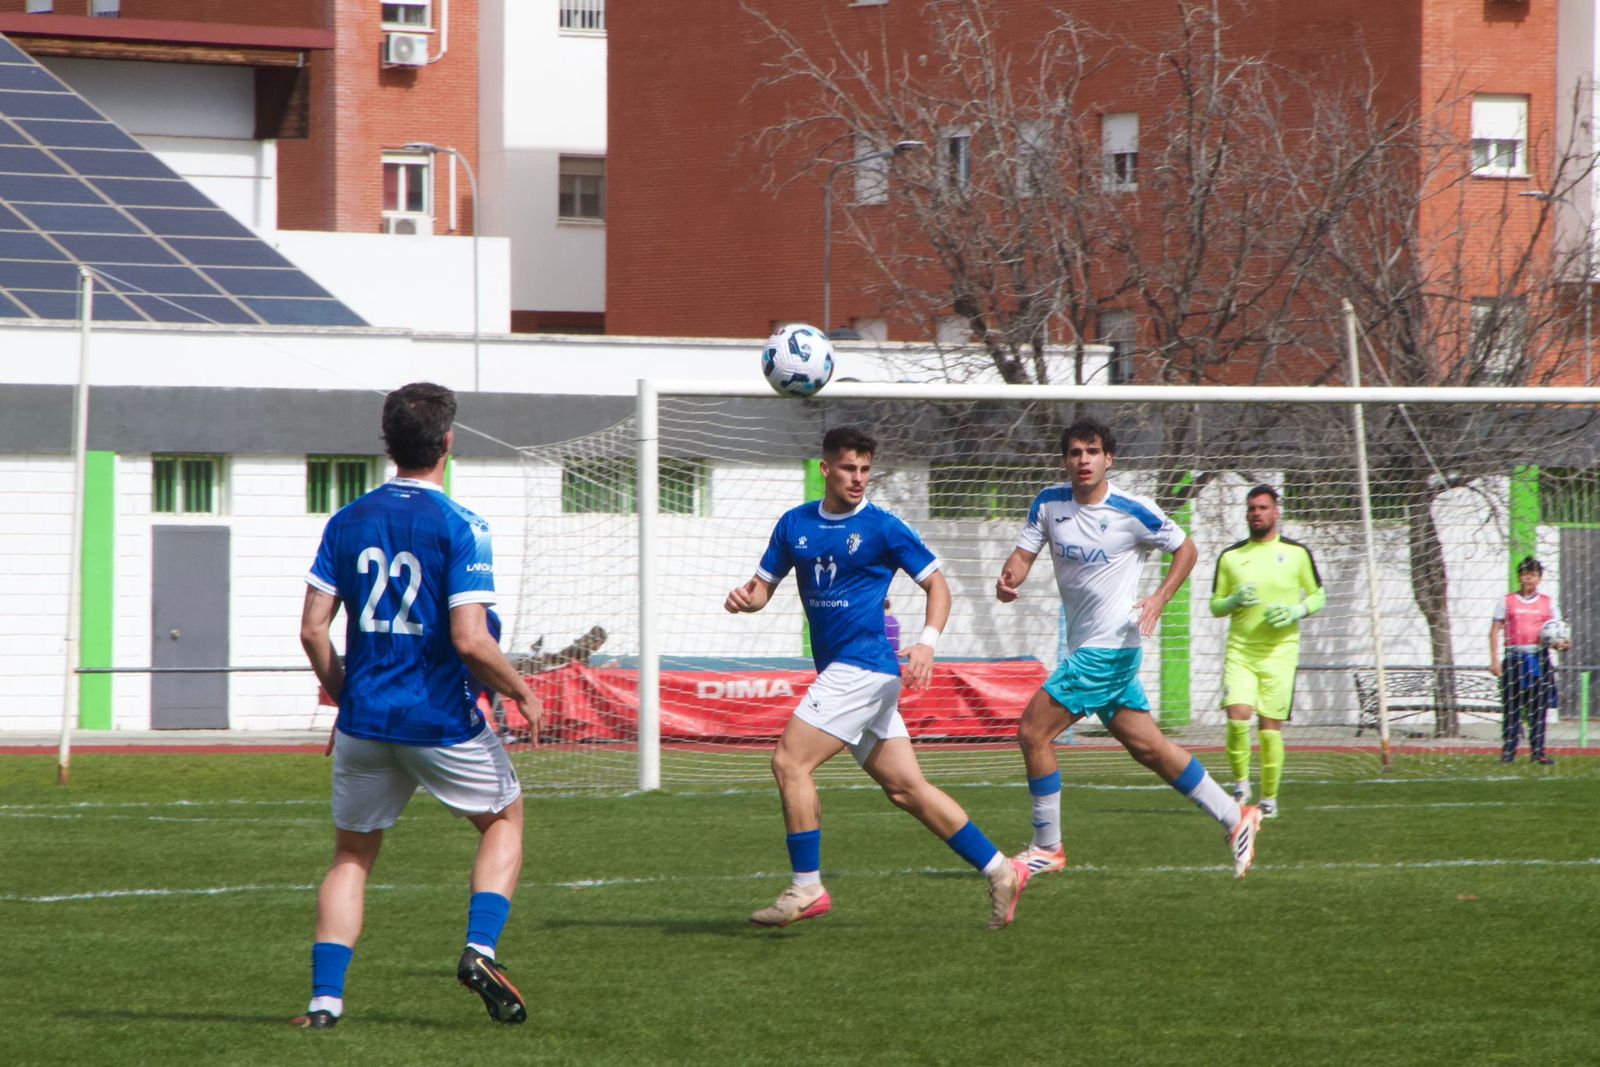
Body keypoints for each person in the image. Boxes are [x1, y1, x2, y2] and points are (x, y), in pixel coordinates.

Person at [295, 382, 544, 1029]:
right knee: (505, 820)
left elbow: (313, 630)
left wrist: (349, 696)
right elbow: (469, 638)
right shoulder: (463, 527)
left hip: (365, 720)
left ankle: (324, 1004)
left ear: (389, 442)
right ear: (448, 442)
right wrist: (520, 687)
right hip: (437, 717)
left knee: (352, 855)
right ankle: (479, 950)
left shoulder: (346, 520)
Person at [725, 426, 1030, 930]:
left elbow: (938, 585)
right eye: (849, 468)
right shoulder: (793, 525)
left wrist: (927, 644)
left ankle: (807, 887)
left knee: (789, 762)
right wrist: (744, 599)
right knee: (907, 789)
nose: (859, 478)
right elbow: (762, 590)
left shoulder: (884, 528)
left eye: (866, 469)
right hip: (853, 675)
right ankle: (1002, 869)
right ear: (826, 469)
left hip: (863, 668)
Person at [994, 417, 1262, 880]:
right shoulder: (1048, 504)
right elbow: (1022, 556)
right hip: (1093, 648)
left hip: (1107, 648)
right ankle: (1236, 816)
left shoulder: (1132, 510)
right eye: (1075, 453)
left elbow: (1187, 549)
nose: (1083, 461)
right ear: (1065, 460)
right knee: (1150, 748)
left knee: (1033, 732)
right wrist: (1007, 580)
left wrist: (1159, 597)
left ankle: (1047, 847)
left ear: (1108, 459)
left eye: (1092, 452)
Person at [1210, 484, 1326, 819]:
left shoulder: (1296, 554)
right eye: (1252, 508)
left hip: (1280, 653)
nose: (1257, 513)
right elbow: (1215, 605)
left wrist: (1295, 612)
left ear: (1276, 512)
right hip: (1241, 651)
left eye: (1262, 508)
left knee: (1269, 726)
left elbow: (1318, 596)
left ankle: (1270, 799)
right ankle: (1241, 784)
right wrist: (1232, 601)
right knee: (1237, 716)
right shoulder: (1232, 557)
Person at [1490, 556, 1569, 765]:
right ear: (1519, 577)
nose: (1528, 579)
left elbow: (1559, 636)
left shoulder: (1547, 603)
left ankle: (1538, 753)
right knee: (1512, 708)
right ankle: (1508, 753)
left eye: (1533, 575)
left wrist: (1562, 644)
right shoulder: (1506, 601)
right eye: (1525, 574)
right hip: (1514, 659)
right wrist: (1495, 660)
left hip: (1538, 659)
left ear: (1539, 578)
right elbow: (1495, 630)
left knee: (1538, 710)